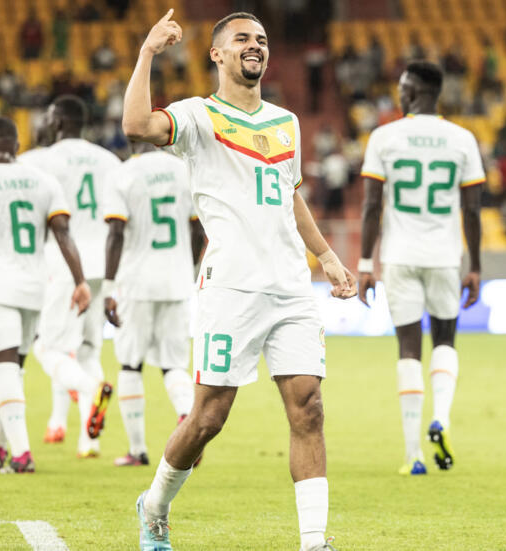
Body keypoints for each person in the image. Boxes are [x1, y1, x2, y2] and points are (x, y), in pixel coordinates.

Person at [122, 10, 355, 551]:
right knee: (209, 416)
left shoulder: (286, 122)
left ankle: (314, 542)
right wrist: (147, 53)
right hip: (230, 286)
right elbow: (136, 126)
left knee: (309, 407)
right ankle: (154, 504)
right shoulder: (198, 117)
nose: (256, 46)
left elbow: (289, 194)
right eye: (243, 39)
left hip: (292, 288)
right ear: (218, 54)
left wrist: (325, 255)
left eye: (263, 40)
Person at [357, 61, 484, 476]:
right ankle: (441, 419)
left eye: (401, 87)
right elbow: (472, 210)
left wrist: (364, 263)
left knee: (408, 347)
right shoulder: (463, 139)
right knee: (445, 339)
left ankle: (412, 454)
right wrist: (476, 266)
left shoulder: (384, 137)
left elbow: (372, 205)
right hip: (445, 256)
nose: (397, 93)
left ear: (413, 92)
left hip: (399, 257)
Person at [0, 117, 91, 473]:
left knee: (3, 370)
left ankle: (22, 453)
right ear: (17, 146)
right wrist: (80, 281)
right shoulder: (44, 181)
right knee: (12, 370)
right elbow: (63, 234)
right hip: (35, 288)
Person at [21, 95, 118, 458]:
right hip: (103, 263)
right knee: (89, 349)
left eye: (47, 117)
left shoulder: (38, 160)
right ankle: (88, 440)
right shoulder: (110, 161)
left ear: (58, 121)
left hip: (64, 263)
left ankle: (90, 391)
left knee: (49, 348)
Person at [102, 142, 205, 467]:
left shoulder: (123, 174)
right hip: (176, 282)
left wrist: (108, 287)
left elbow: (116, 233)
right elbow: (198, 229)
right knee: (174, 364)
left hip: (137, 282)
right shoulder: (184, 170)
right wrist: (185, 269)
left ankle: (137, 450)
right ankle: (191, 426)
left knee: (131, 363)